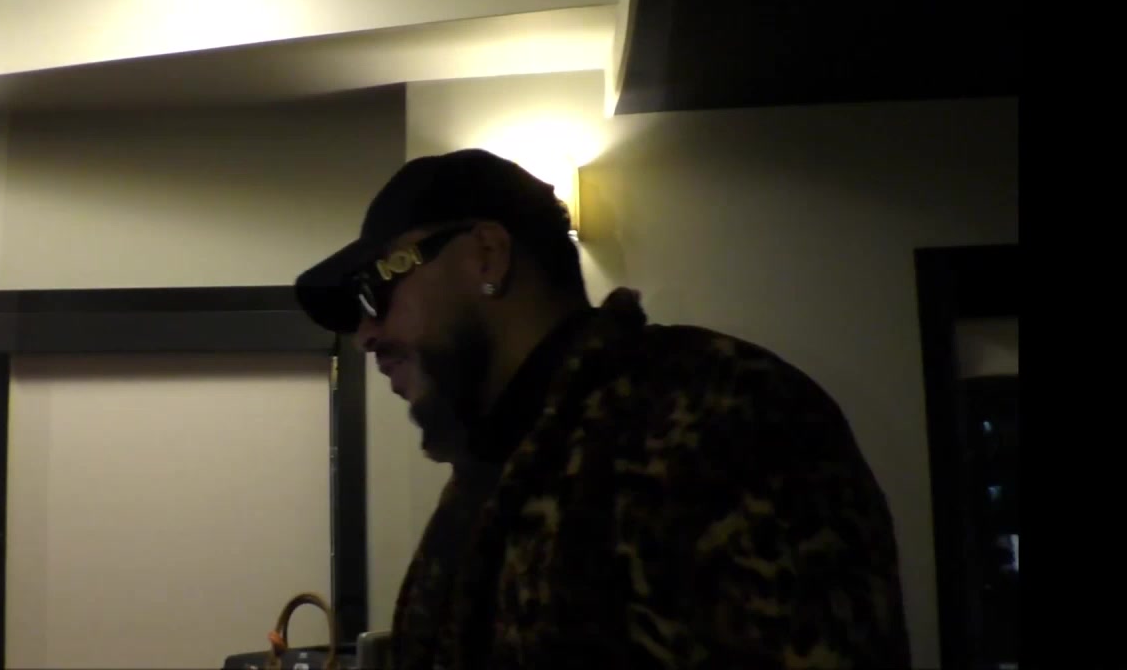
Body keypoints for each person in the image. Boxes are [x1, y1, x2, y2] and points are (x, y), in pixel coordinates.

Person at [294, 149, 912, 670]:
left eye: (377, 289)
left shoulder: (725, 412)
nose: (366, 335)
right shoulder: (493, 474)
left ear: (486, 254)